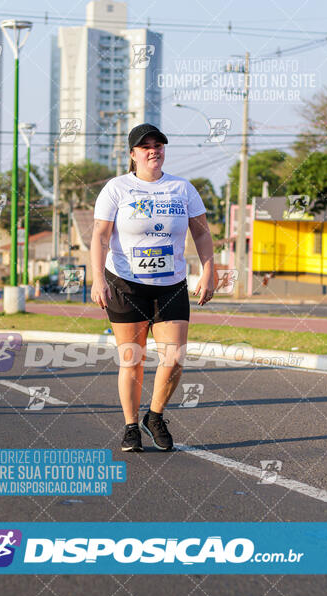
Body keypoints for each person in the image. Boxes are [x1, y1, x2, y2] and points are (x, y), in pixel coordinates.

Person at [91, 123, 214, 452]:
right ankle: (131, 425)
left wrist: (209, 270)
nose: (153, 150)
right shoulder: (117, 189)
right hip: (125, 284)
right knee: (132, 359)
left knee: (174, 357)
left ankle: (155, 416)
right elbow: (100, 237)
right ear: (132, 155)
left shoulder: (182, 188)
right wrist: (97, 278)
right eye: (145, 146)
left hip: (171, 285)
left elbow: (201, 233)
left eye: (158, 144)